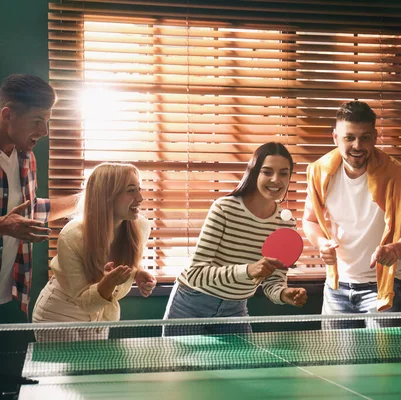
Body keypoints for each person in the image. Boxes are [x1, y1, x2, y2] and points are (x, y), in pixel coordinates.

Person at [163, 142, 307, 335]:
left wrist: (283, 293)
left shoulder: (285, 224)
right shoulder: (224, 208)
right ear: (254, 172)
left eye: (283, 173)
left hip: (235, 309)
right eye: (267, 172)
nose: (276, 179)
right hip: (191, 305)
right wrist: (247, 270)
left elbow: (272, 280)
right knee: (178, 366)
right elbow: (196, 273)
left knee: (243, 365)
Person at [303, 101, 401, 329]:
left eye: (365, 137)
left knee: (381, 364)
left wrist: (395, 249)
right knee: (336, 363)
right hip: (336, 287)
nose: (357, 145)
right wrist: (321, 243)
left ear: (375, 137)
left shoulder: (397, 176)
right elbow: (309, 220)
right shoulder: (319, 172)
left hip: (383, 287)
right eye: (349, 138)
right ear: (335, 138)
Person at [32, 163, 156, 341]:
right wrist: (107, 283)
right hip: (59, 315)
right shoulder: (72, 236)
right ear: (107, 196)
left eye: (139, 189)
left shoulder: (141, 227)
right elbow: (85, 301)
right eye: (131, 191)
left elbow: (125, 259)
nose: (140, 198)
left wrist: (137, 271)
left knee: (93, 367)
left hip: (100, 316)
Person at [0, 74, 80, 319]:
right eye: (36, 121)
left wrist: (90, 198)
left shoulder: (25, 157)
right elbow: (9, 224)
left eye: (46, 121)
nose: (43, 132)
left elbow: (30, 211)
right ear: (7, 115)